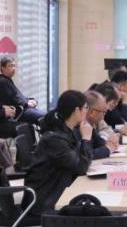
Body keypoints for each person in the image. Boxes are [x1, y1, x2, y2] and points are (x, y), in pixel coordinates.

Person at [24, 90, 93, 219]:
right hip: (45, 202)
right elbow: (81, 167)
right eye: (85, 107)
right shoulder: (54, 139)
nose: (87, 111)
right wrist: (86, 140)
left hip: (56, 192)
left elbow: (79, 161)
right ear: (76, 110)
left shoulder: (67, 131)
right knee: (92, 211)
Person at [0, 55, 46, 124]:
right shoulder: (2, 82)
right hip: (19, 112)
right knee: (45, 117)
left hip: (23, 108)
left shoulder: (7, 80)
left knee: (47, 116)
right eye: (10, 66)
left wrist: (29, 100)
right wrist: (26, 103)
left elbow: (18, 96)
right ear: (3, 68)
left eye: (14, 66)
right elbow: (13, 100)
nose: (13, 68)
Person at [83, 90, 119, 159]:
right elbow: (86, 155)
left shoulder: (90, 125)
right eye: (103, 112)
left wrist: (110, 142)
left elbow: (100, 143)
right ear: (91, 112)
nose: (104, 115)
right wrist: (108, 149)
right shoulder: (79, 126)